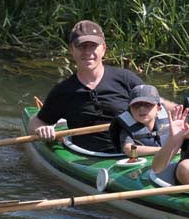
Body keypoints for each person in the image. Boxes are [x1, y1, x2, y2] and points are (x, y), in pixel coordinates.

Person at [27, 20, 146, 154]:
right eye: (81, 46)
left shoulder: (125, 79)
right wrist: (41, 129)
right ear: (71, 49)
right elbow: (36, 123)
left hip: (131, 152)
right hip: (86, 156)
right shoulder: (63, 91)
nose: (87, 52)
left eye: (93, 46)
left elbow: (158, 105)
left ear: (103, 48)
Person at [110, 84, 171, 157]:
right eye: (136, 106)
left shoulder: (170, 124)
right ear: (130, 110)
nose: (141, 109)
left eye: (148, 105)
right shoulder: (126, 130)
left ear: (159, 109)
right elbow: (129, 150)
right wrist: (163, 150)